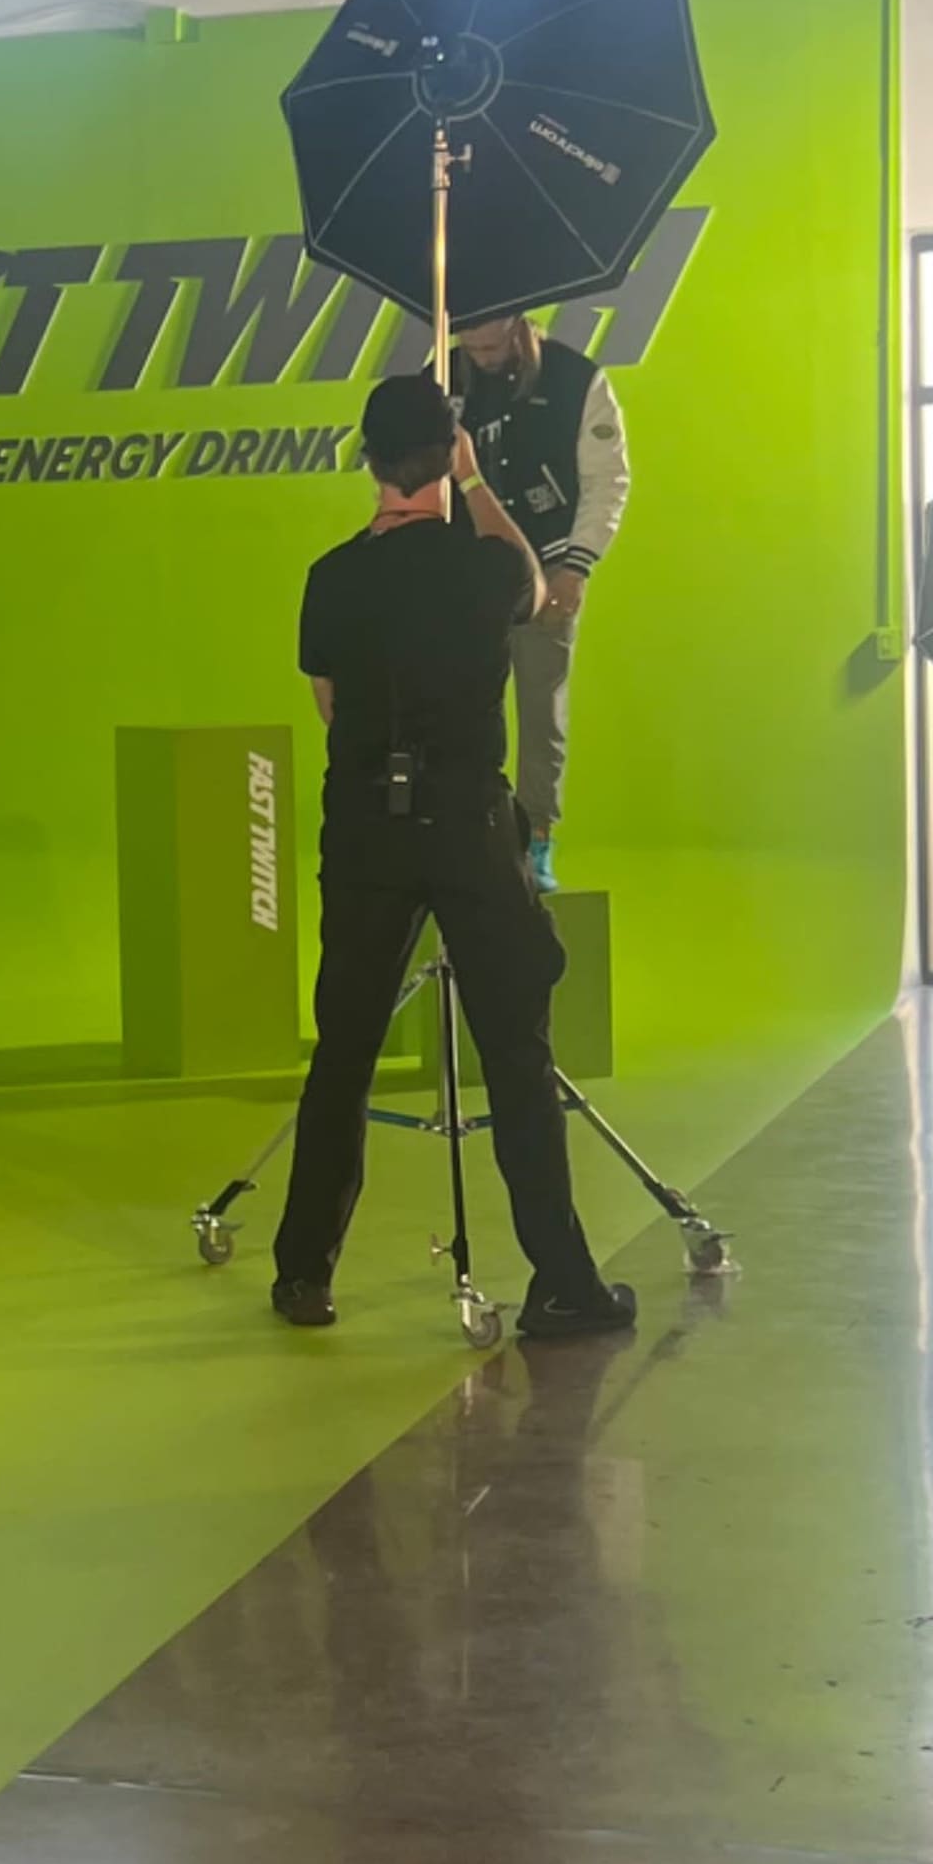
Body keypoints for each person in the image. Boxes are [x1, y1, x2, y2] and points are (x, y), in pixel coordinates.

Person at [268, 370, 634, 1345]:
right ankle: (561, 1281)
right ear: (452, 455)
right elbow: (525, 574)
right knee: (515, 1049)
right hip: (467, 824)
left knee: (342, 1051)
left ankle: (304, 1272)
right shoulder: (481, 567)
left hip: (363, 827)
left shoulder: (330, 577)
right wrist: (477, 481)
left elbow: (332, 701)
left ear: (369, 459)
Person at [451, 302, 628, 869]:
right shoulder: (440, 376)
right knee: (460, 705)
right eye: (464, 333)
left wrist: (577, 566)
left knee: (540, 709)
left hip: (548, 567)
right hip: (466, 568)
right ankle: (467, 831)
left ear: (515, 317)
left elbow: (607, 480)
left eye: (486, 332)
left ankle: (537, 839)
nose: (474, 344)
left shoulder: (576, 378)